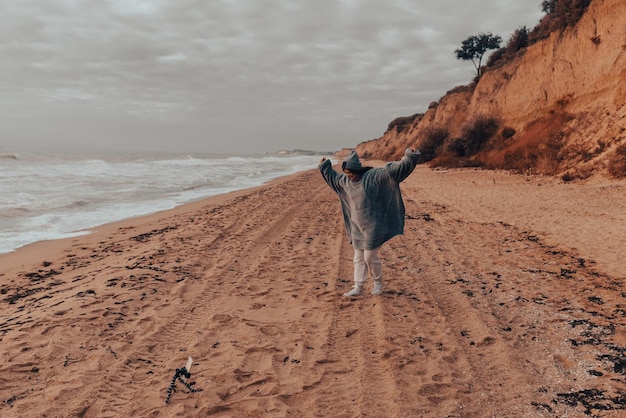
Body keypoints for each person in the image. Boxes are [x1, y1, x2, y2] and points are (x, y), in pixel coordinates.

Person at [319, 147, 421, 296]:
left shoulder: (373, 177)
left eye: (351, 173)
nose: (349, 176)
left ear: (358, 170)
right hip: (357, 227)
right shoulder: (345, 181)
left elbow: (394, 170)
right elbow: (332, 178)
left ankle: (378, 283)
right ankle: (358, 287)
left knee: (369, 257)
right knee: (358, 258)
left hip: (374, 226)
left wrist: (410, 157)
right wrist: (324, 166)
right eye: (346, 173)